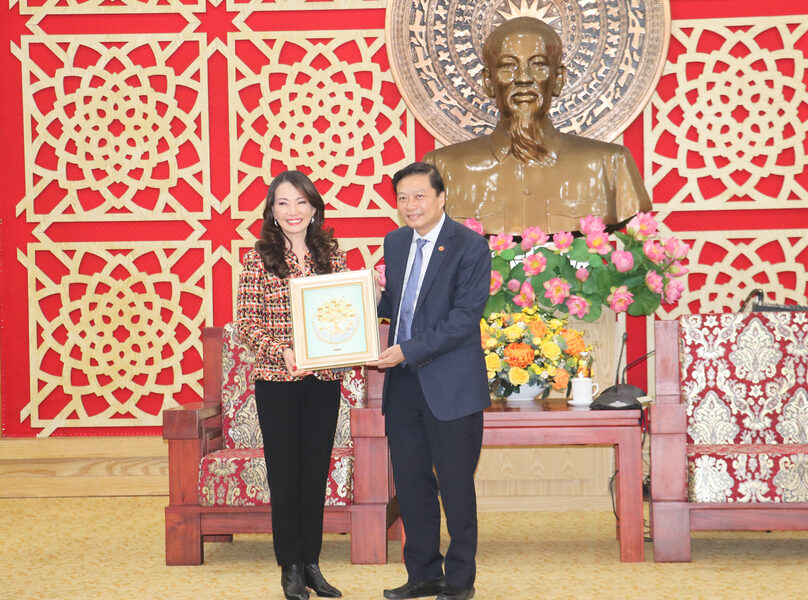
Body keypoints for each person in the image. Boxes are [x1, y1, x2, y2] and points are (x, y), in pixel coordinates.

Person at [368, 162, 491, 600]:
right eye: (402, 197)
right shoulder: (396, 242)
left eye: (419, 196)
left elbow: (463, 319)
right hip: (402, 385)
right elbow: (395, 302)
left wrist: (409, 350)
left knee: (455, 485)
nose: (410, 205)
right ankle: (423, 573)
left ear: (441, 197)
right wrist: (360, 300)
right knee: (412, 482)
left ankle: (459, 582)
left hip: (451, 385)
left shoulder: (471, 247)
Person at [424, 17, 652, 235]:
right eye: (508, 66)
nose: (524, 78)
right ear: (488, 82)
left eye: (538, 64)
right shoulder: (442, 169)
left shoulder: (610, 165)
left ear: (559, 79)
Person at [236, 170, 345, 600]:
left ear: (314, 208)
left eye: (301, 202)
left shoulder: (331, 257)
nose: (293, 211)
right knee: (285, 474)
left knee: (315, 473)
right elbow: (247, 324)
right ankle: (290, 568)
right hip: (277, 380)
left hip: (323, 379)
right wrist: (281, 350)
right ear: (272, 211)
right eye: (283, 203)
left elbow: (342, 315)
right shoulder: (256, 259)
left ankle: (313, 564)